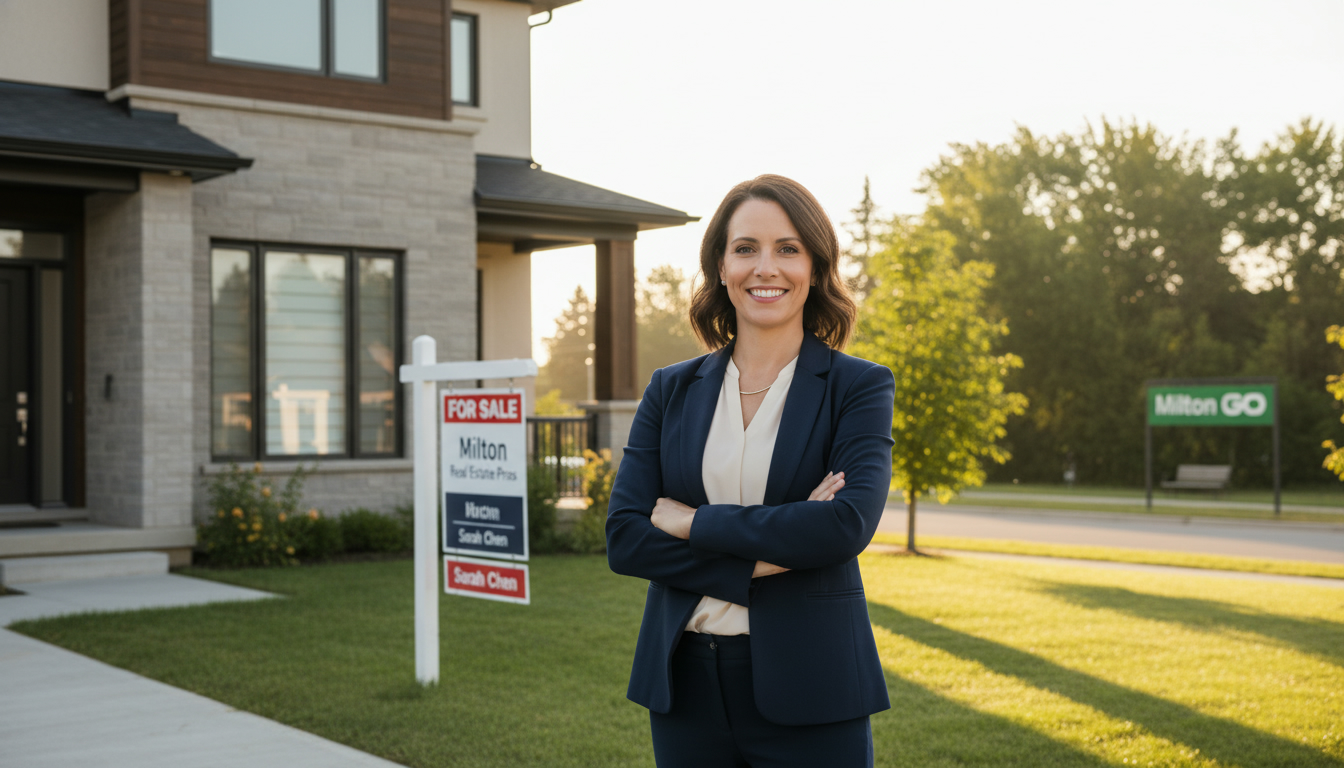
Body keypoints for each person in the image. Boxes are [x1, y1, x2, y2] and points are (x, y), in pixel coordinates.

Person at [606, 174, 896, 767]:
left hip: (814, 688)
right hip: (683, 686)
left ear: (815, 268)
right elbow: (626, 539)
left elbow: (843, 528)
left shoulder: (858, 387)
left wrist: (692, 525)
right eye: (746, 248)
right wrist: (779, 548)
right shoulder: (671, 389)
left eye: (788, 249)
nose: (766, 267)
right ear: (720, 266)